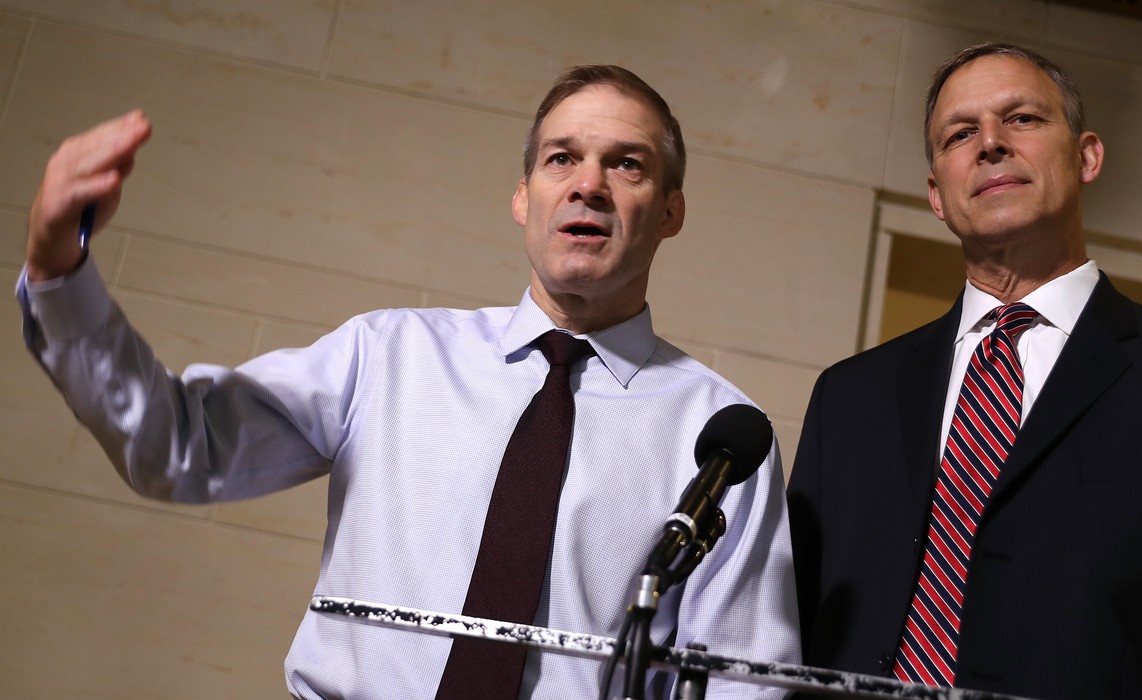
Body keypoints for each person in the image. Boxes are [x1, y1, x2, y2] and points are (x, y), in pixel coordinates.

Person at [19, 65, 800, 699]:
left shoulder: (724, 434)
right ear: (523, 196)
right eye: (560, 158)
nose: (587, 184)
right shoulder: (386, 354)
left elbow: (742, 683)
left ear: (670, 211)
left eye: (625, 164)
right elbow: (178, 444)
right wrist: (61, 272)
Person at [788, 43, 1142, 700]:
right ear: (937, 196)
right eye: (959, 133)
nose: (990, 144)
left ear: (1086, 155)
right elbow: (796, 634)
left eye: (1022, 119)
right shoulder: (848, 397)